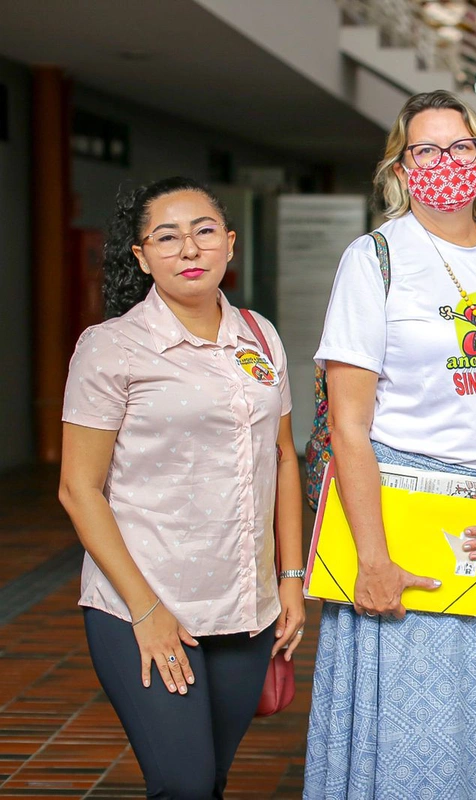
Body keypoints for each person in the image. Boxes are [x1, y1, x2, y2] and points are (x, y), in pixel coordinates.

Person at [304, 89, 476, 799]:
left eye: (461, 146)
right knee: (406, 732)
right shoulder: (377, 258)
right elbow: (350, 426)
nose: (445, 161)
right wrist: (374, 558)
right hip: (404, 510)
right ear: (400, 165)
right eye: (426, 149)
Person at [58, 177, 306, 799]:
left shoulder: (260, 334)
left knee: (211, 781)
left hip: (247, 607)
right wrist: (147, 611)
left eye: (202, 232)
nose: (188, 249)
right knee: (184, 786)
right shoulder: (111, 347)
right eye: (166, 237)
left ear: (229, 244)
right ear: (141, 257)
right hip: (143, 602)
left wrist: (291, 581)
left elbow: (280, 455)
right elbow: (77, 489)